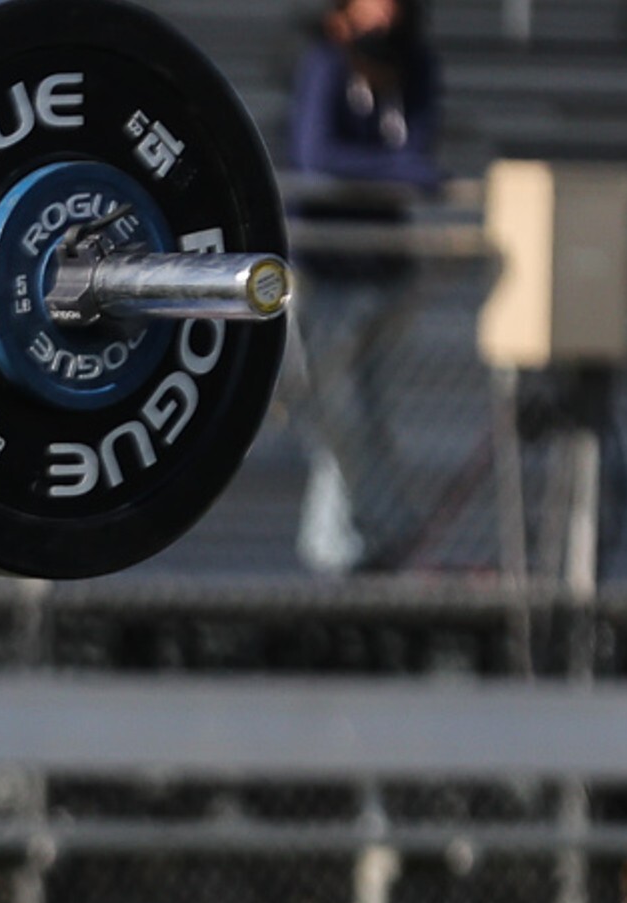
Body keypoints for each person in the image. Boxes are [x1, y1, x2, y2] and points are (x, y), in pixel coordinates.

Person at [281, 0, 444, 575]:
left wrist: (386, 172)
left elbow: (420, 157)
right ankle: (378, 533)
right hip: (325, 270)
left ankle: (341, 549)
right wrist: (392, 172)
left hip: (384, 272)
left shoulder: (415, 63)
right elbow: (317, 156)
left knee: (362, 414)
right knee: (337, 413)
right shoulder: (327, 60)